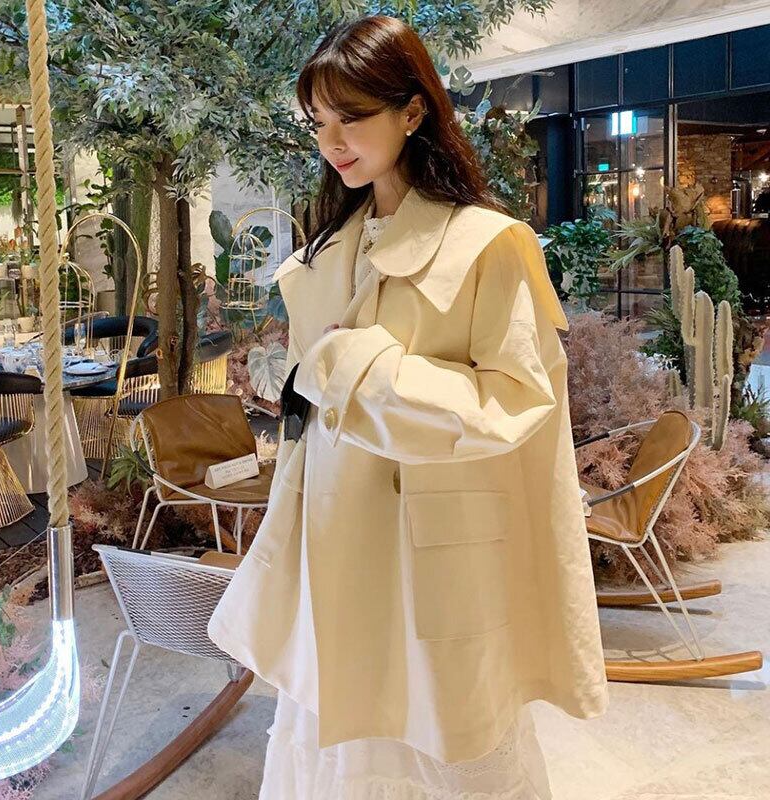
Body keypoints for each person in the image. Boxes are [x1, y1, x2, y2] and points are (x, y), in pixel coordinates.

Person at [208, 14, 609, 799]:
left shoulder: (488, 245)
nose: (331, 142)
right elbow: (315, 412)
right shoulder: (325, 252)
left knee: (448, 736)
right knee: (337, 737)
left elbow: (517, 400)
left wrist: (361, 368)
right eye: (318, 123)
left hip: (435, 548)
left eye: (351, 117)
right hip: (335, 540)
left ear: (413, 110)